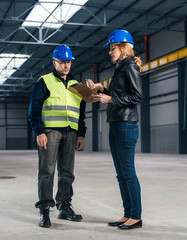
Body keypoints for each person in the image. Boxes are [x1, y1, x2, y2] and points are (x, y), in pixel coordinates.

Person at [86, 29, 143, 230]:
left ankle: (136, 216)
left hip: (126, 126)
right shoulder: (120, 68)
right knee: (120, 174)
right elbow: (120, 94)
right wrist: (103, 90)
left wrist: (111, 98)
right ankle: (127, 214)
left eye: (112, 48)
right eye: (110, 49)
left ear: (122, 47)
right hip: (116, 124)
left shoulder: (130, 67)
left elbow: (137, 96)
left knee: (128, 173)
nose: (110, 52)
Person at [28, 44, 87, 228]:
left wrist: (81, 134)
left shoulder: (77, 85)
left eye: (68, 62)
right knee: (47, 171)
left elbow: (82, 111)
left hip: (71, 133)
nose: (66, 65)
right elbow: (34, 109)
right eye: (62, 62)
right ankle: (45, 210)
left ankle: (64, 206)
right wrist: (39, 131)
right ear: (55, 63)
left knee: (67, 171)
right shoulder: (44, 81)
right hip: (50, 132)